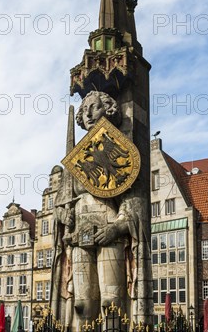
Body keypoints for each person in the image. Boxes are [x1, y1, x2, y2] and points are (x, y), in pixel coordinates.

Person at [52, 91, 151, 328]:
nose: (87, 114)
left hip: (109, 231)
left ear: (108, 109)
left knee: (112, 303)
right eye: (83, 110)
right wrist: (60, 214)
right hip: (78, 234)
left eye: (93, 107)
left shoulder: (120, 148)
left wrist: (117, 228)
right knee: (82, 304)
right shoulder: (76, 158)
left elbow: (135, 201)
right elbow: (61, 201)